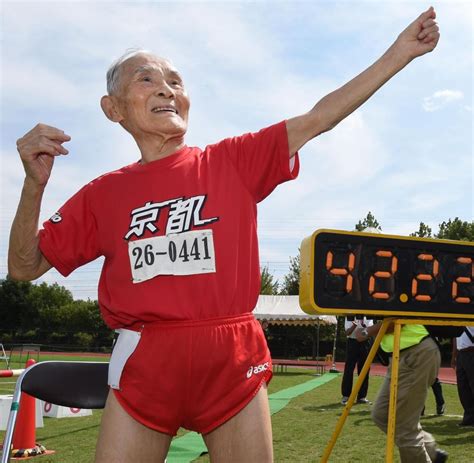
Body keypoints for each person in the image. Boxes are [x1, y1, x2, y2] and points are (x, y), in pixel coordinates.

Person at [8, 7, 440, 463]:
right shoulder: (102, 195)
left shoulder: (230, 162)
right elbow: (23, 266)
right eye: (146, 79)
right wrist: (33, 186)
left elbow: (319, 117)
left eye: (175, 80)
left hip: (232, 357)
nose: (167, 89)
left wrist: (401, 52)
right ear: (112, 108)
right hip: (146, 362)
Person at [355, 321, 448, 463]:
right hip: (401, 356)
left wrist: (366, 332)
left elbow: (396, 319)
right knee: (381, 414)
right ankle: (430, 449)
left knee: (404, 425)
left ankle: (426, 453)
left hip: (415, 353)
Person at [341, 316, 373, 405]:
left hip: (365, 342)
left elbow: (370, 330)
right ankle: (346, 396)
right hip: (352, 342)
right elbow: (347, 332)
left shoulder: (368, 316)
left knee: (364, 369)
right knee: (349, 369)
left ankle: (362, 397)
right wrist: (354, 325)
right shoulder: (350, 316)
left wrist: (363, 332)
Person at [451, 327, 474, 427]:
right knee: (463, 388)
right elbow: (455, 338)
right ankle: (469, 418)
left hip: (472, 352)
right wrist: (454, 356)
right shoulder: (458, 320)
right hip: (461, 354)